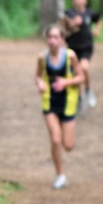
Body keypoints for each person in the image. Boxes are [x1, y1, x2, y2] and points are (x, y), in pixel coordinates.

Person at [35, 25, 85, 190]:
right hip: (49, 103)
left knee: (68, 145)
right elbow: (37, 76)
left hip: (68, 103)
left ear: (62, 40)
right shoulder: (42, 57)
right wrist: (41, 83)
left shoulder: (71, 56)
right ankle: (60, 175)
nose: (52, 41)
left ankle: (60, 173)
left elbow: (81, 77)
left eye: (56, 37)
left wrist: (66, 82)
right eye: (50, 37)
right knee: (55, 139)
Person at [63, 0, 102, 109]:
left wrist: (97, 30)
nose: (79, 0)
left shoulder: (90, 13)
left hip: (86, 47)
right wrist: (74, 23)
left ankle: (88, 90)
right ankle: (79, 96)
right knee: (76, 72)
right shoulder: (69, 13)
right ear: (73, 0)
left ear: (85, 0)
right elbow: (65, 27)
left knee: (84, 68)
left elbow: (99, 20)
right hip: (72, 48)